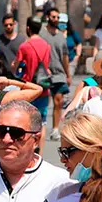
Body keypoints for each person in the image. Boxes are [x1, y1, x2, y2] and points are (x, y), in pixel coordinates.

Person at [41, 8, 71, 140]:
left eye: (58, 17)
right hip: (43, 74)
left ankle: (55, 129)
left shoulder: (61, 36)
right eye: (53, 17)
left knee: (58, 102)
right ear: (48, 17)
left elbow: (65, 56)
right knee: (43, 103)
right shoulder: (41, 34)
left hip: (59, 73)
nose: (56, 19)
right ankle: (41, 127)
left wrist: (68, 74)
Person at [15, 19, 53, 123]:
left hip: (28, 88)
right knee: (42, 122)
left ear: (28, 28)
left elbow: (16, 66)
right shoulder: (47, 45)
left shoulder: (24, 46)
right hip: (43, 87)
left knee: (27, 121)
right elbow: (47, 65)